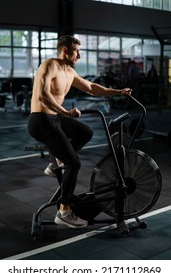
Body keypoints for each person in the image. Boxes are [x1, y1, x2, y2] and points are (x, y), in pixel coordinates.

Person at [28, 35, 132, 229]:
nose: (79, 56)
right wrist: (66, 112)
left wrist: (118, 92)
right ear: (65, 50)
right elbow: (43, 95)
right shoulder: (49, 65)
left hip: (55, 119)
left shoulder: (69, 72)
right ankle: (64, 212)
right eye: (76, 51)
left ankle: (55, 164)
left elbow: (92, 88)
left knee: (86, 132)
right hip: (41, 120)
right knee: (74, 164)